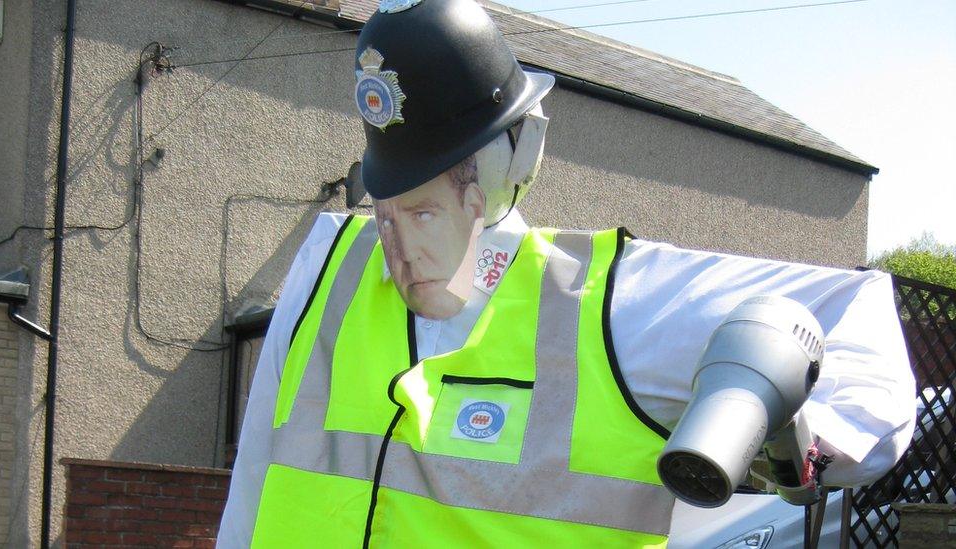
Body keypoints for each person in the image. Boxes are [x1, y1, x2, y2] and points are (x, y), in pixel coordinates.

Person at [218, 0, 916, 546]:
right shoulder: (328, 273)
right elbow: (252, 495)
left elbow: (856, 324)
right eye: (400, 202)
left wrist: (793, 434)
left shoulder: (618, 308)